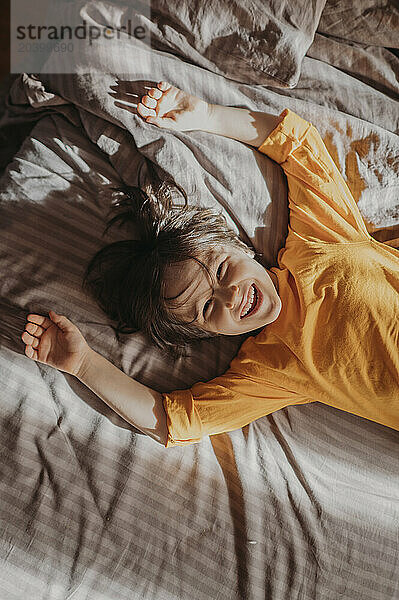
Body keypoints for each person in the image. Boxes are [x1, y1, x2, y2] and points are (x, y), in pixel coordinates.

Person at [20, 81, 399, 447]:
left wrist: (206, 115)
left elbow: (297, 142)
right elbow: (174, 420)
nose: (231, 296)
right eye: (207, 307)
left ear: (239, 247)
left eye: (222, 271)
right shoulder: (277, 364)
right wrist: (85, 365)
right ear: (209, 334)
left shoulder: (318, 242)